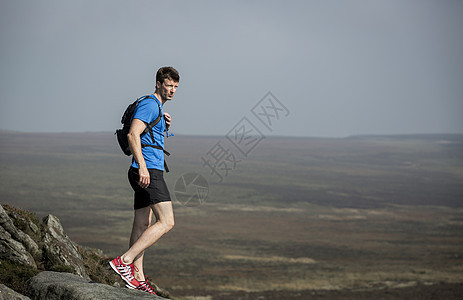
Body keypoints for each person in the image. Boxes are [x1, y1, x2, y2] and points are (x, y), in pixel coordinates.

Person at [110, 66, 179, 295]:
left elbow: (148, 134)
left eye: (176, 87)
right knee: (167, 221)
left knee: (142, 224)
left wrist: (163, 125)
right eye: (169, 85)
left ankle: (136, 277)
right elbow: (132, 134)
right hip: (147, 170)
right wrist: (142, 166)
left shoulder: (156, 107)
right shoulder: (150, 104)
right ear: (158, 83)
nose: (172, 90)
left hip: (146, 169)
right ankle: (125, 261)